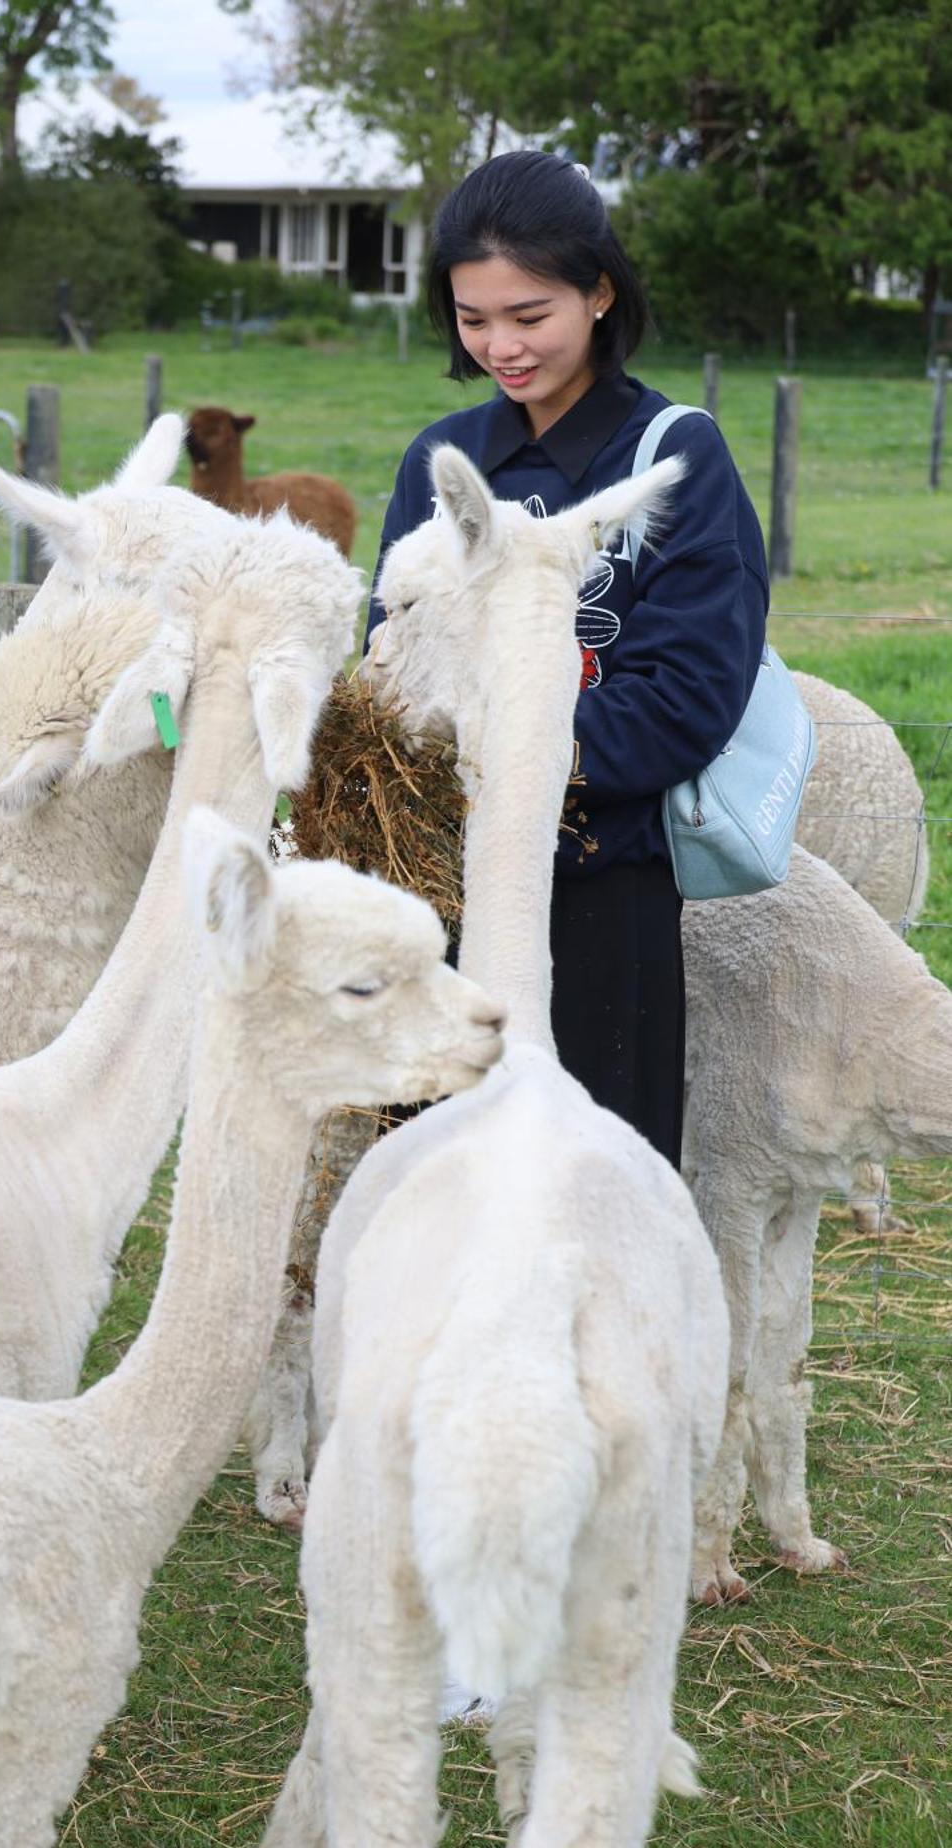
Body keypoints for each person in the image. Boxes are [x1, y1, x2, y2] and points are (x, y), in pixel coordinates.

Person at [370, 148, 768, 1170]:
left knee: (588, 1195)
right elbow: (390, 664)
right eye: (473, 318)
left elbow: (687, 694)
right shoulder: (439, 462)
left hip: (599, 890)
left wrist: (517, 765)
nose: (500, 344)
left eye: (528, 313)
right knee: (431, 1187)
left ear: (598, 292)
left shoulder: (673, 459)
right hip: (441, 891)